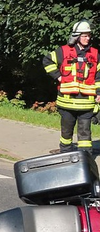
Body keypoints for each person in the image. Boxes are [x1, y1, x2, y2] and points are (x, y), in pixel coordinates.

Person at [43, 20, 100, 153]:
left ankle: (85, 158)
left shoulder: (95, 54)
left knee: (85, 134)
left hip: (86, 104)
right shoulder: (63, 51)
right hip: (66, 103)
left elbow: (98, 76)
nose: (87, 38)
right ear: (77, 36)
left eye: (89, 35)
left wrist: (99, 93)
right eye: (84, 35)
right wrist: (58, 76)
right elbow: (47, 60)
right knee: (66, 132)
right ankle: (65, 154)